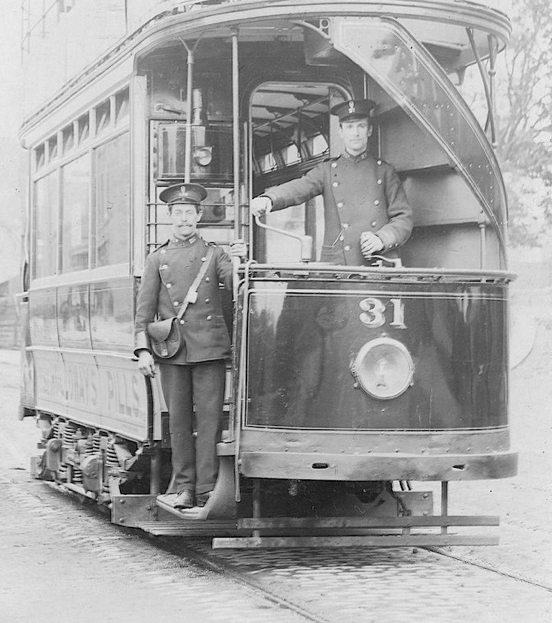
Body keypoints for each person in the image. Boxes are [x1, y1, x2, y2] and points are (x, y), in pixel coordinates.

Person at [134, 182, 240, 511]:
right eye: (177, 213)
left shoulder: (215, 254)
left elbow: (233, 284)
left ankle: (207, 489)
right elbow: (144, 310)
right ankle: (184, 488)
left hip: (209, 347)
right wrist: (143, 350)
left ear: (199, 216)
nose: (183, 219)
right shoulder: (158, 258)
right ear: (170, 217)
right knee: (178, 422)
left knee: (210, 421)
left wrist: (239, 262)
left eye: (189, 213)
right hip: (172, 351)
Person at [250, 99, 413, 264]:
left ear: (369, 130)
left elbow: (403, 218)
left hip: (377, 262)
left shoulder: (385, 171)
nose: (355, 133)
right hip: (339, 264)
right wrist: (269, 198)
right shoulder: (327, 170)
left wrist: (381, 239)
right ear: (341, 132)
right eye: (349, 127)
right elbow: (300, 187)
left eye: (361, 126)